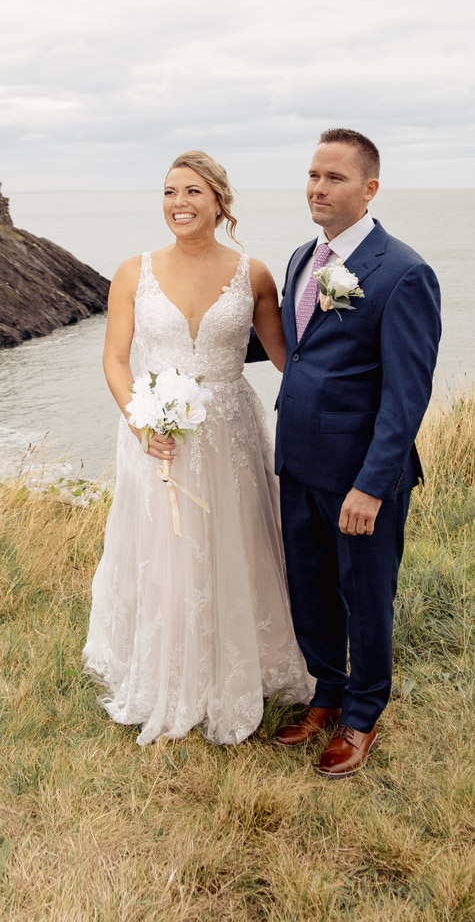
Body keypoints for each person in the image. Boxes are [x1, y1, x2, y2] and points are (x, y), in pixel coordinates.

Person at [83, 150, 313, 746]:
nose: (178, 203)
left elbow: (293, 361)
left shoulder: (253, 274)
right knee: (161, 549)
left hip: (231, 432)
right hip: (155, 436)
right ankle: (165, 670)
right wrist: (141, 424)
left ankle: (240, 665)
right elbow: (114, 359)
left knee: (234, 543)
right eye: (168, 192)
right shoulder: (134, 271)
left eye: (191, 192)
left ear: (219, 201)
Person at [249, 129, 441, 777]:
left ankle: (362, 716)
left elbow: (405, 395)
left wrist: (370, 484)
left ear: (368, 189)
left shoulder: (404, 272)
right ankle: (326, 695)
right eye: (311, 175)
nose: (317, 188)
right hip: (296, 461)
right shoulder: (305, 256)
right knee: (309, 589)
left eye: (333, 177)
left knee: (365, 595)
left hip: (361, 474)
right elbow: (293, 347)